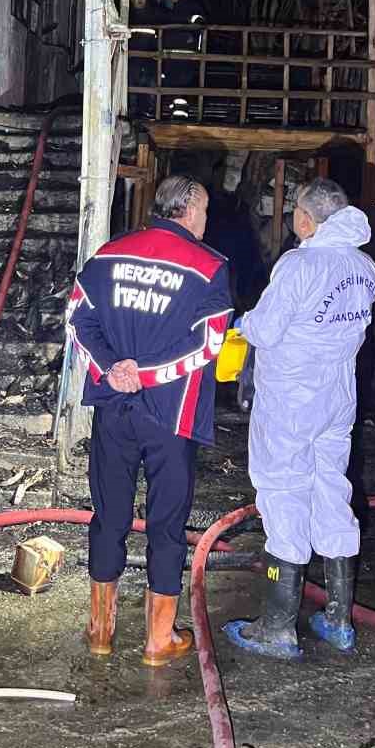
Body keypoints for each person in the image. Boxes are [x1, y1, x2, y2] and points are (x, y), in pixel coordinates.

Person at [65, 175, 233, 666]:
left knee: (109, 515)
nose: (207, 219)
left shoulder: (109, 254)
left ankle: (100, 632)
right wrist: (149, 375)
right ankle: (158, 640)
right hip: (170, 415)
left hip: (113, 407)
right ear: (189, 209)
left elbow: (77, 319)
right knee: (166, 522)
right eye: (204, 209)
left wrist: (112, 370)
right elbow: (210, 344)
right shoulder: (208, 267)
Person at [224, 179, 375, 660]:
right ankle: (338, 619)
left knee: (283, 491)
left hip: (291, 399)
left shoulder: (300, 265)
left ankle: (277, 627)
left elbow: (267, 329)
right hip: (338, 396)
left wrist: (240, 326)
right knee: (332, 489)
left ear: (307, 219)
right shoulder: (364, 268)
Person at [162, 0, 204, 121]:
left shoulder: (187, 6)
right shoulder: (180, 6)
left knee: (180, 87)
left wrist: (188, 35)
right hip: (177, 55)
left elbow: (198, 24)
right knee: (176, 87)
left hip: (183, 55)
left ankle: (179, 116)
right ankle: (177, 114)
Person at [128, 0, 166, 118]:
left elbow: (170, 21)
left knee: (151, 86)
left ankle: (150, 114)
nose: (139, 0)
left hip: (151, 59)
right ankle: (131, 113)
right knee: (130, 86)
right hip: (131, 58)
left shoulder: (156, 13)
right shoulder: (126, 15)